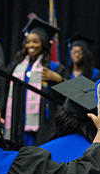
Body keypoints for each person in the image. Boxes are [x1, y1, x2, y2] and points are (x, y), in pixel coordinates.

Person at [4, 14, 69, 146]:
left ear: (43, 44)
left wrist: (58, 79)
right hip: (17, 119)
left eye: (35, 41)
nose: (31, 45)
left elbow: (67, 96)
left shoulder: (54, 68)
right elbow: (3, 91)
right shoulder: (16, 66)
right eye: (28, 42)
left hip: (42, 124)